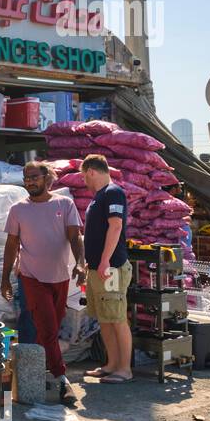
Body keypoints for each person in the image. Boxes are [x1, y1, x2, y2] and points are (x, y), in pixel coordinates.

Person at [0, 162, 85, 404]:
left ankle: (34, 375)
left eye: (34, 177)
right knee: (47, 327)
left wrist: (81, 262)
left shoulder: (64, 204)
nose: (29, 182)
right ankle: (62, 380)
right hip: (31, 277)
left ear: (46, 178)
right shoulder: (18, 209)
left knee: (51, 328)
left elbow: (74, 236)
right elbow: (11, 245)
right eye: (26, 178)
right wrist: (5, 277)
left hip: (59, 277)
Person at [79, 154, 134, 383]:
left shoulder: (113, 192)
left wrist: (104, 261)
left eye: (84, 177)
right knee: (104, 317)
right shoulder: (98, 197)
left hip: (111, 268)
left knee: (117, 317)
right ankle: (111, 364)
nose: (84, 182)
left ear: (91, 171)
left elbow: (116, 226)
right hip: (98, 268)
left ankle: (125, 369)